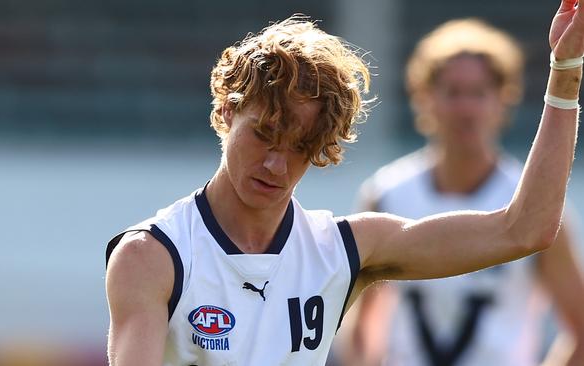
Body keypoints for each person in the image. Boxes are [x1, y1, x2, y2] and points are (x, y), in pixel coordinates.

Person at [105, 2, 584, 364]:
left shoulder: (342, 250)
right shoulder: (153, 257)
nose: (275, 164)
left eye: (298, 145)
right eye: (264, 134)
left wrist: (565, 73)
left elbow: (526, 230)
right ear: (227, 113)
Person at [344, 18, 584, 366]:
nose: (466, 109)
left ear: (504, 100)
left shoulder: (537, 204)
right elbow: (363, 325)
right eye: (453, 92)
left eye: (479, 93)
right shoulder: (386, 193)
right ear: (423, 98)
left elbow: (579, 327)